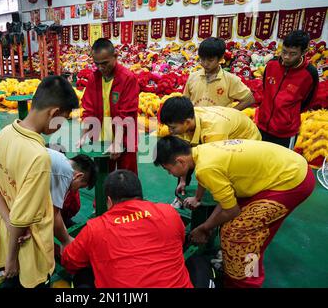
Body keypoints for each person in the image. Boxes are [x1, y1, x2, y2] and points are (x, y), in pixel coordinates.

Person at [154, 136, 315, 287]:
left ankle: (247, 282)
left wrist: (204, 228)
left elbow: (231, 210)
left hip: (290, 180)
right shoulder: (201, 151)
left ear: (180, 161)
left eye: (169, 170)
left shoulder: (206, 168)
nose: (170, 174)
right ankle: (245, 268)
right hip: (283, 170)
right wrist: (207, 225)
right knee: (240, 233)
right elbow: (227, 203)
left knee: (240, 235)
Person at [0, 75, 79, 288]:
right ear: (53, 113)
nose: (61, 126)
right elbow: (21, 219)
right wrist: (11, 259)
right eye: (63, 119)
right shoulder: (38, 156)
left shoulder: (5, 133)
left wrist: (7, 221)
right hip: (29, 249)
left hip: (7, 233)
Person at [0, 148, 97, 285]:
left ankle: (2, 268)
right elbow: (54, 214)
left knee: (2, 226)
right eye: (80, 186)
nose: (75, 190)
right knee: (7, 232)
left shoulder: (54, 159)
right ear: (78, 176)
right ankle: (7, 270)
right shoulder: (65, 173)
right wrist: (66, 240)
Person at [61, 170, 194, 288]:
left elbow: (70, 262)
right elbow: (180, 241)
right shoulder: (169, 212)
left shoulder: (95, 228)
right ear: (140, 194)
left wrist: (66, 244)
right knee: (198, 264)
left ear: (109, 201)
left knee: (83, 276)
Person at [159, 96, 261, 208]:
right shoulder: (188, 118)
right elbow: (185, 153)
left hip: (247, 142)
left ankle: (235, 206)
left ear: (187, 122)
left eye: (172, 127)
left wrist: (197, 198)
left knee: (226, 174)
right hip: (229, 131)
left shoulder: (213, 131)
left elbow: (208, 165)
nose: (170, 131)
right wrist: (183, 180)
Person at [78, 38, 139, 174]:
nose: (101, 68)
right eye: (97, 64)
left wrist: (117, 142)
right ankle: (102, 196)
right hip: (101, 137)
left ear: (115, 56)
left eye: (105, 63)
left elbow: (126, 115)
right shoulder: (94, 78)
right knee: (102, 176)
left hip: (124, 137)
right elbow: (89, 109)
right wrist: (84, 134)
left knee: (126, 178)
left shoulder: (128, 78)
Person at [256, 30, 319, 149]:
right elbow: (266, 89)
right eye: (284, 51)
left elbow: (308, 101)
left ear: (304, 52)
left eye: (293, 53)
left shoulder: (309, 73)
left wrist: (288, 116)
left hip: (285, 132)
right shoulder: (272, 65)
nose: (286, 57)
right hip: (262, 125)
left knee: (280, 165)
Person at [183, 37, 255, 110]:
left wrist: (230, 114)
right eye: (202, 59)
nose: (205, 63)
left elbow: (249, 99)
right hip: (196, 120)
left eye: (210, 60)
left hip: (219, 121)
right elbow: (185, 102)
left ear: (221, 58)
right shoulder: (192, 77)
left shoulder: (230, 79)